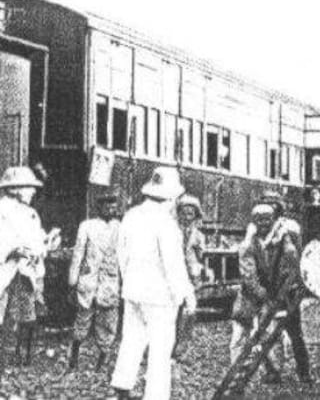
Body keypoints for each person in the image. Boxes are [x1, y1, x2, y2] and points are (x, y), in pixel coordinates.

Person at [109, 167, 195, 400]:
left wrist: (128, 281)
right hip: (160, 296)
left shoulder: (131, 216)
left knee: (131, 339)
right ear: (171, 197)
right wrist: (185, 295)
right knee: (160, 348)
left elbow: (121, 254)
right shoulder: (166, 223)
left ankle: (122, 387)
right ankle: (155, 396)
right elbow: (173, 265)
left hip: (133, 290)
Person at [230, 201, 310, 383]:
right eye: (260, 220)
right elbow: (248, 274)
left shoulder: (282, 239)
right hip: (253, 294)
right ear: (254, 221)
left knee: (285, 331)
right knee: (245, 333)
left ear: (274, 220)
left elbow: (290, 266)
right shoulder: (249, 243)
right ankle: (241, 372)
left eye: (268, 219)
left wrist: (282, 292)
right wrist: (263, 295)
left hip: (280, 293)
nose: (264, 224)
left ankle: (292, 372)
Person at [0, 166, 61, 365]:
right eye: (30, 188)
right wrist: (13, 250)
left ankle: (21, 355)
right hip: (6, 270)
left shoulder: (30, 213)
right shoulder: (3, 211)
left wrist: (49, 240)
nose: (33, 192)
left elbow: (37, 241)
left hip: (26, 272)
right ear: (16, 189)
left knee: (27, 315)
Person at [66, 193, 122, 371]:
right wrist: (73, 280)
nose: (110, 210)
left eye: (113, 207)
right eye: (106, 206)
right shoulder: (87, 226)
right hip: (89, 279)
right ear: (99, 208)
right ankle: (74, 357)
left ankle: (102, 360)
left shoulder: (120, 228)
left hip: (110, 281)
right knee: (82, 318)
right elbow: (78, 254)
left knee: (107, 321)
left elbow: (124, 257)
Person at [171, 193, 211, 364]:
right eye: (184, 213)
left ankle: (181, 350)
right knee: (171, 314)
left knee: (190, 312)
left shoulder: (198, 236)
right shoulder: (171, 232)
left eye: (191, 213)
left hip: (190, 278)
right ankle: (166, 349)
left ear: (195, 215)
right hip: (173, 276)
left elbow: (202, 257)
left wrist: (202, 271)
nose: (187, 217)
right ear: (178, 214)